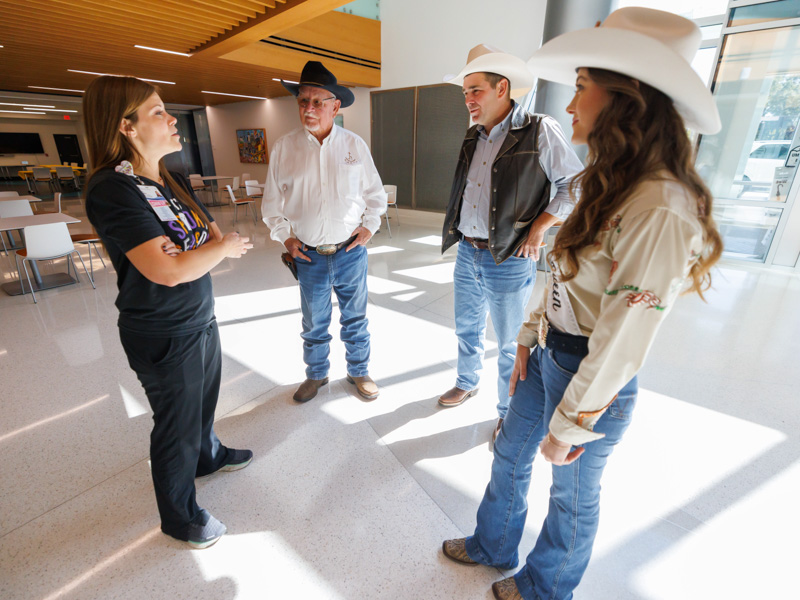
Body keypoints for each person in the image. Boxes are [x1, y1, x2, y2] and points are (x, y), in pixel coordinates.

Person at [441, 8, 723, 600]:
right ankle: (493, 544)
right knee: (510, 455)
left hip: (591, 377)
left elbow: (626, 333)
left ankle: (545, 589)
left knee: (570, 497)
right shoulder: (610, 179)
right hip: (546, 354)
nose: (570, 105)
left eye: (581, 88)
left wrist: (576, 421)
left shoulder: (661, 205)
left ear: (626, 98)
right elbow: (557, 269)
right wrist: (526, 336)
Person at [83, 76, 254, 549]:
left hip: (199, 316)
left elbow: (210, 234)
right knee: (175, 424)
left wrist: (209, 249)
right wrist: (213, 251)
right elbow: (169, 271)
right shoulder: (113, 189)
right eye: (157, 111)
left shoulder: (165, 179)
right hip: (162, 328)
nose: (172, 119)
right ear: (126, 127)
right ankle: (180, 517)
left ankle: (209, 456)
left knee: (201, 407)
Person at [439, 45, 583, 445]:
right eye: (465, 92)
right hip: (468, 251)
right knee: (466, 328)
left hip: (508, 257)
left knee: (508, 345)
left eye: (475, 90)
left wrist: (539, 228)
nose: (467, 99)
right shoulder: (474, 136)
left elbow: (575, 184)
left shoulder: (540, 128)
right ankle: (467, 382)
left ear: (502, 87)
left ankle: (508, 412)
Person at [262, 61, 387, 403]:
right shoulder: (284, 149)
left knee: (356, 318)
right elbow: (271, 205)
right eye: (303, 101)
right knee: (314, 324)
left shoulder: (354, 146)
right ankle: (316, 375)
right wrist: (286, 237)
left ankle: (359, 371)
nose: (309, 108)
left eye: (318, 102)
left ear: (335, 106)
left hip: (350, 252)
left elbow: (376, 195)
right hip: (309, 256)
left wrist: (369, 226)